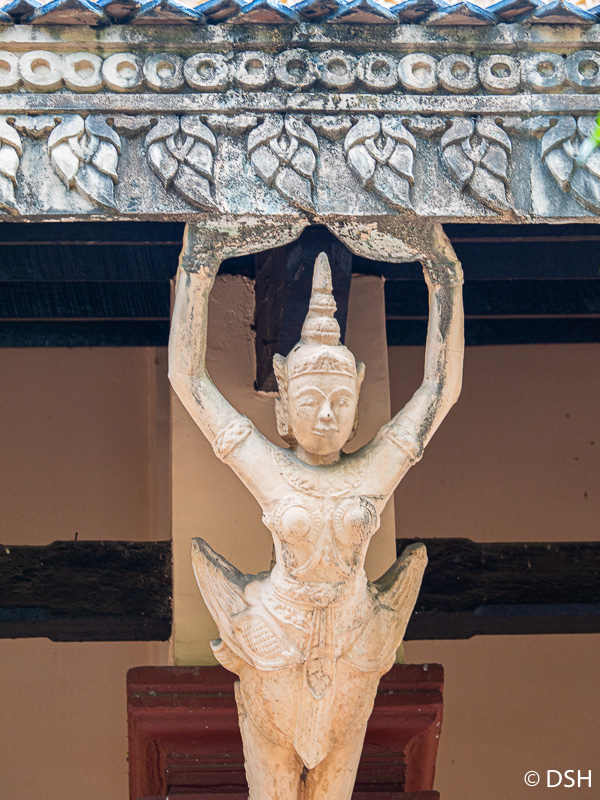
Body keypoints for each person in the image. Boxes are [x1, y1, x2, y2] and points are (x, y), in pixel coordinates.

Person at [169, 221, 464, 800]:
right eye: (309, 401)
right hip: (274, 644)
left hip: (354, 652)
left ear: (356, 404)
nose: (325, 415)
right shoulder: (270, 470)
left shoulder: (373, 472)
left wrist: (445, 275)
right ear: (284, 407)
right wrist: (197, 266)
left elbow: (439, 390)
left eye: (339, 402)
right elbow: (189, 378)